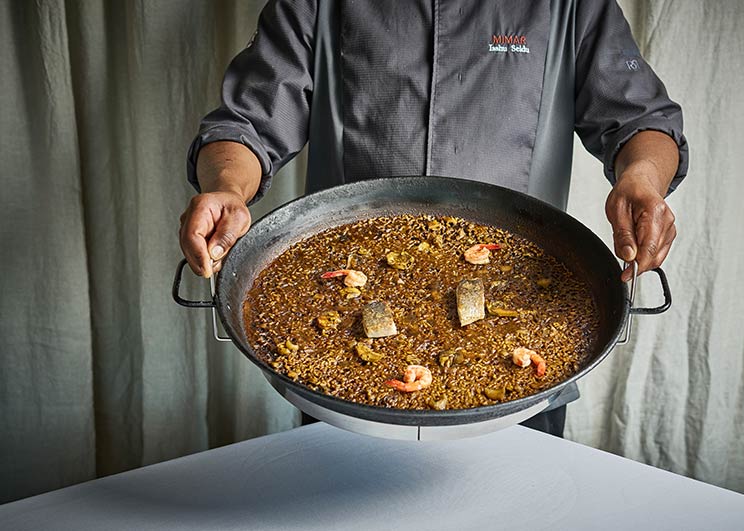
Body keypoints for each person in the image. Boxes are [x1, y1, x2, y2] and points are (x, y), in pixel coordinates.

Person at [179, 0, 688, 438]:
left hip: (522, 337)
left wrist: (641, 179)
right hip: (342, 382)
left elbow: (642, 118)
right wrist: (227, 187)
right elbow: (245, 122)